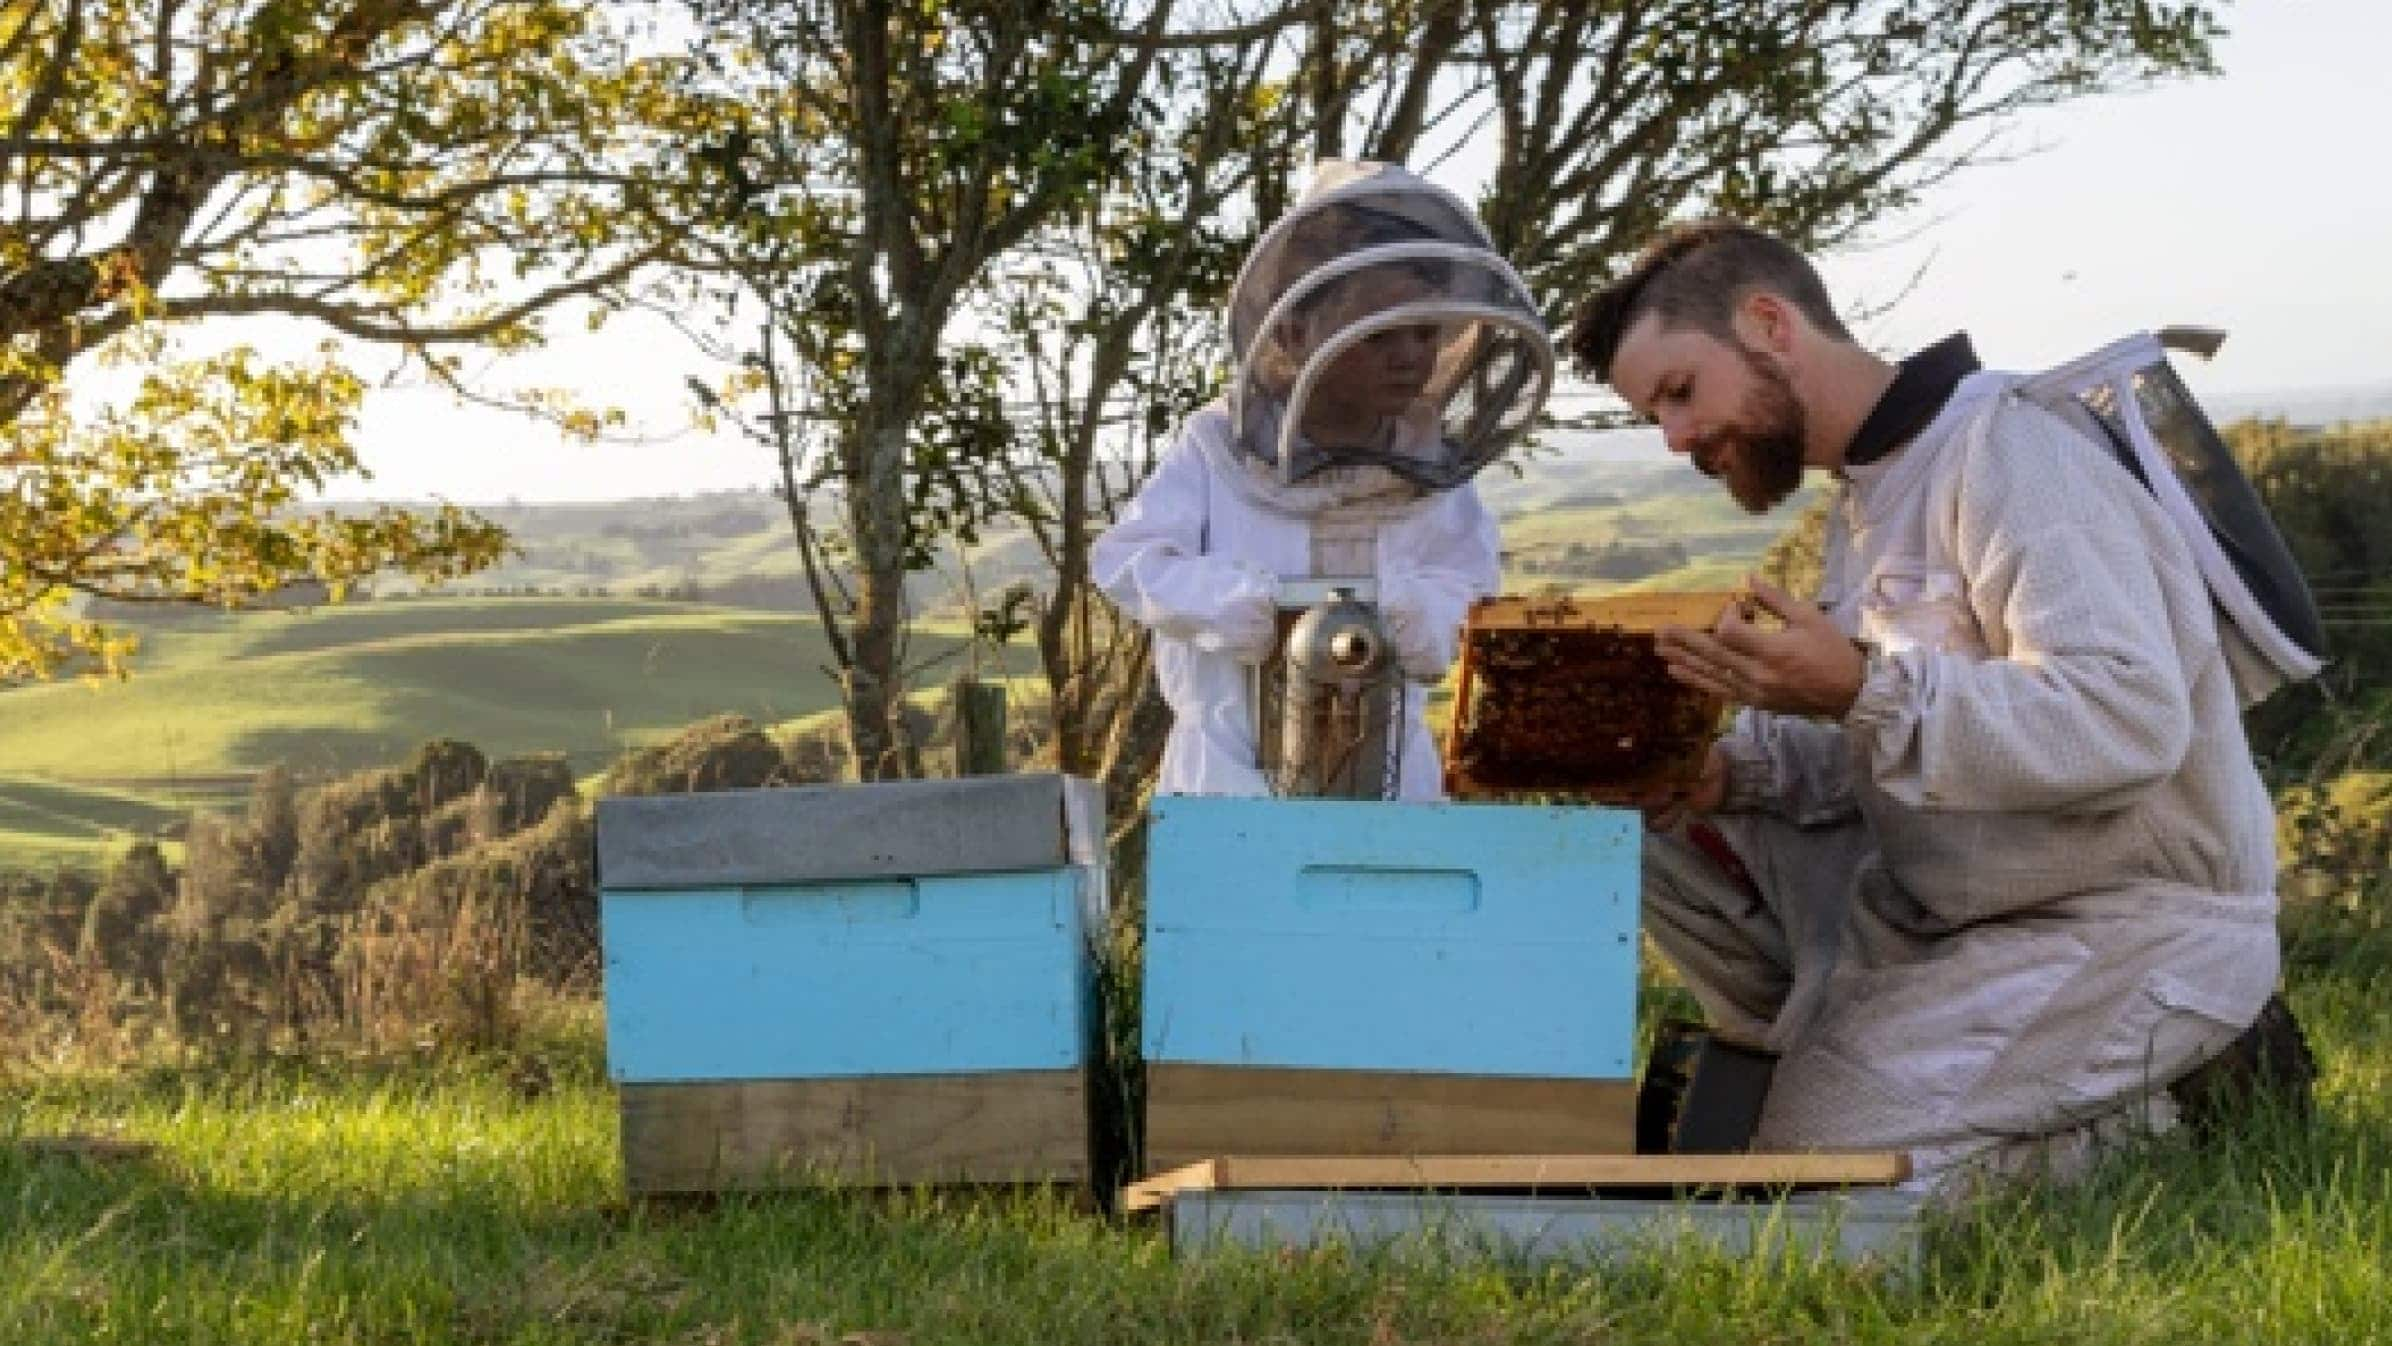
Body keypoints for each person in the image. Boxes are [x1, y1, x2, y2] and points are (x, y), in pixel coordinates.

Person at [1565, 219, 2313, 1191]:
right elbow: (1879, 736)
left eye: (1678, 391)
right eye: (1652, 416)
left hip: (2124, 917)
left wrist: (1860, 684)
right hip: (1953, 907)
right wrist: (1719, 773)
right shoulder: (1867, 497)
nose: (1674, 437)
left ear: (1766, 324)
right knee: (1651, 826)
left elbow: (2126, 716)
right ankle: (1811, 1063)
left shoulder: (2012, 453)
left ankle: (2159, 1110)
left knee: (1814, 1181)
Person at [1092, 160, 1552, 798]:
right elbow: (1125, 562)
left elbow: (1473, 596)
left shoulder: (1434, 468)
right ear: (1293, 332)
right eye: (1382, 334)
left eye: (1425, 333)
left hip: (1394, 783)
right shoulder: (1214, 447)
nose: (1411, 356)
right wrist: (1238, 604)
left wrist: (1418, 612)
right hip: (1228, 781)